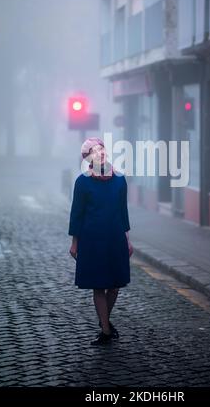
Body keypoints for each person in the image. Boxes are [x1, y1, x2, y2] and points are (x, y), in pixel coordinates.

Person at [68, 137, 133, 346]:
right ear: (88, 158)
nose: (100, 152)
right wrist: (74, 242)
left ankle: (103, 319)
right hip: (92, 239)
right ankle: (105, 330)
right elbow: (76, 214)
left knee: (115, 286)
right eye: (94, 151)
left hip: (115, 237)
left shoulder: (120, 179)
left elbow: (123, 212)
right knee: (99, 286)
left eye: (102, 148)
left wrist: (127, 240)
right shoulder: (83, 181)